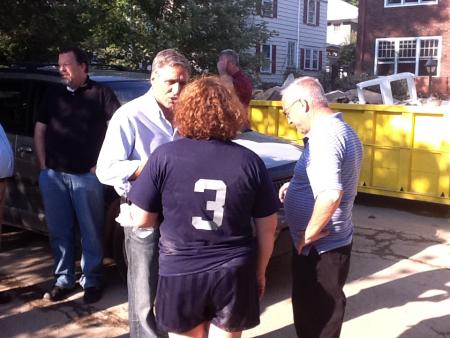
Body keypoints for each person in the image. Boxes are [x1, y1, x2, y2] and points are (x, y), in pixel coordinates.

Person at [127, 76, 279, 338]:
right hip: (233, 272)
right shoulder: (250, 161)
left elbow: (141, 220)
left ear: (185, 111)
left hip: (181, 271)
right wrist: (260, 271)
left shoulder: (164, 157)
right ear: (232, 112)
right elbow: (268, 228)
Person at [96, 49, 191, 337]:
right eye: (171, 82)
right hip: (142, 214)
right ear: (153, 77)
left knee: (174, 287)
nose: (177, 90)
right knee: (143, 294)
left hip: (181, 215)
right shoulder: (130, 116)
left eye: (183, 83)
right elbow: (105, 169)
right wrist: (147, 168)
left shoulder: (188, 115)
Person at [34, 47, 120, 304]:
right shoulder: (53, 94)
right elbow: (40, 130)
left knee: (91, 231)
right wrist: (42, 167)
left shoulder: (101, 94)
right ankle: (63, 279)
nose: (61, 69)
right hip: (53, 177)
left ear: (84, 67)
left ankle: (92, 280)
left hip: (87, 177)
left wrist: (101, 164)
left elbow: (118, 130)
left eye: (67, 65)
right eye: (59, 65)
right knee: (59, 231)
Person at [278, 77, 363, 338]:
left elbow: (330, 194)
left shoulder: (324, 137)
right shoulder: (338, 129)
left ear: (303, 104)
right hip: (330, 245)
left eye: (287, 111)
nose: (289, 120)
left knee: (318, 318)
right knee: (318, 312)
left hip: (320, 248)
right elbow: (328, 176)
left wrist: (308, 234)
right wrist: (296, 185)